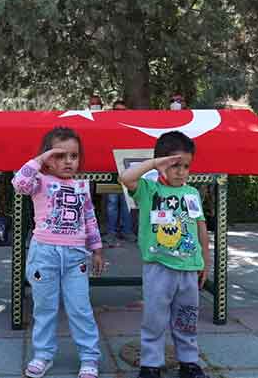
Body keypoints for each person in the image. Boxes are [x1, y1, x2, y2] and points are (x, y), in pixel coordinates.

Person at [13, 127, 104, 378]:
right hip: (44, 255)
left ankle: (89, 357)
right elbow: (19, 183)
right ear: (48, 158)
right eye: (60, 155)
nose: (68, 161)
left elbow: (89, 219)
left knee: (80, 308)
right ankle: (43, 355)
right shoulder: (39, 182)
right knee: (45, 308)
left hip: (76, 258)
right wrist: (40, 159)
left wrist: (96, 249)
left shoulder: (82, 186)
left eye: (73, 156)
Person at [119, 131, 210, 378]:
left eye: (186, 166)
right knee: (155, 318)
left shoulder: (191, 193)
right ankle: (151, 363)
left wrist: (205, 260)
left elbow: (200, 226)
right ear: (161, 164)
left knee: (186, 317)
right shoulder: (149, 189)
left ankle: (189, 361)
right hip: (158, 267)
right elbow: (126, 177)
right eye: (174, 165)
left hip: (189, 268)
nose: (181, 171)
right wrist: (154, 163)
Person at [105, 100, 135, 244]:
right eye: (116, 110)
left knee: (126, 202)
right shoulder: (107, 127)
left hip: (127, 169)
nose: (119, 114)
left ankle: (127, 231)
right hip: (111, 171)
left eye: (123, 111)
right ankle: (111, 232)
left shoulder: (131, 128)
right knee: (112, 202)